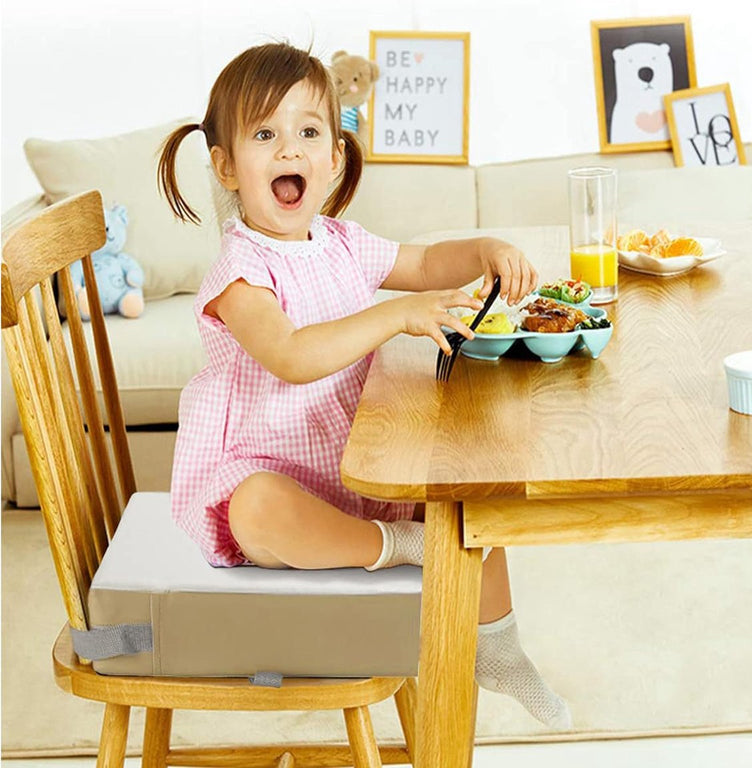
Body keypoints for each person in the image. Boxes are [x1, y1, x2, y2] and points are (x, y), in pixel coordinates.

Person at [158, 41, 571, 730]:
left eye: (307, 132)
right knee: (255, 509)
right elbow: (291, 355)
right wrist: (394, 316)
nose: (289, 149)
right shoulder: (240, 273)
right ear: (226, 166)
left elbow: (425, 263)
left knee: (468, 494)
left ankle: (499, 649)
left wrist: (485, 248)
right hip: (279, 479)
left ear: (334, 158)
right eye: (264, 135)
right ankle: (394, 548)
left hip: (360, 464)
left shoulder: (343, 243)